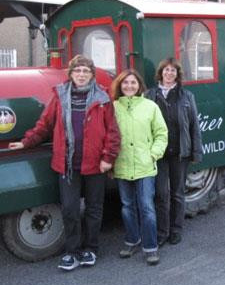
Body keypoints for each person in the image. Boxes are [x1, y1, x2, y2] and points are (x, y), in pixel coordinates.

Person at [8, 55, 121, 271]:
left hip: (95, 164)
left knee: (94, 209)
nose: (81, 75)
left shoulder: (103, 98)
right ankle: (72, 251)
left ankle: (91, 249)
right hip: (67, 165)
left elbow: (113, 132)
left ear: (91, 75)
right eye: (77, 71)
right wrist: (26, 142)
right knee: (69, 209)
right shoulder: (59, 96)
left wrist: (108, 158)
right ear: (71, 74)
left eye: (85, 71)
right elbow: (44, 125)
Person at [111, 69, 168, 265]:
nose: (129, 86)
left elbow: (161, 133)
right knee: (127, 207)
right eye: (125, 83)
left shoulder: (150, 106)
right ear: (120, 86)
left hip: (145, 165)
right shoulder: (113, 108)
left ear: (139, 86)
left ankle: (151, 247)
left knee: (147, 207)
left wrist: (153, 154)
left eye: (133, 83)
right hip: (122, 164)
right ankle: (132, 240)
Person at [145, 58, 202, 248]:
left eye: (173, 71)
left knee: (177, 193)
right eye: (166, 70)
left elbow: (194, 125)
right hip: (158, 154)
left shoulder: (187, 96)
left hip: (180, 152)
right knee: (161, 194)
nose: (169, 74)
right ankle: (162, 232)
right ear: (160, 73)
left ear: (177, 74)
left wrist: (196, 152)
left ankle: (176, 230)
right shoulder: (150, 95)